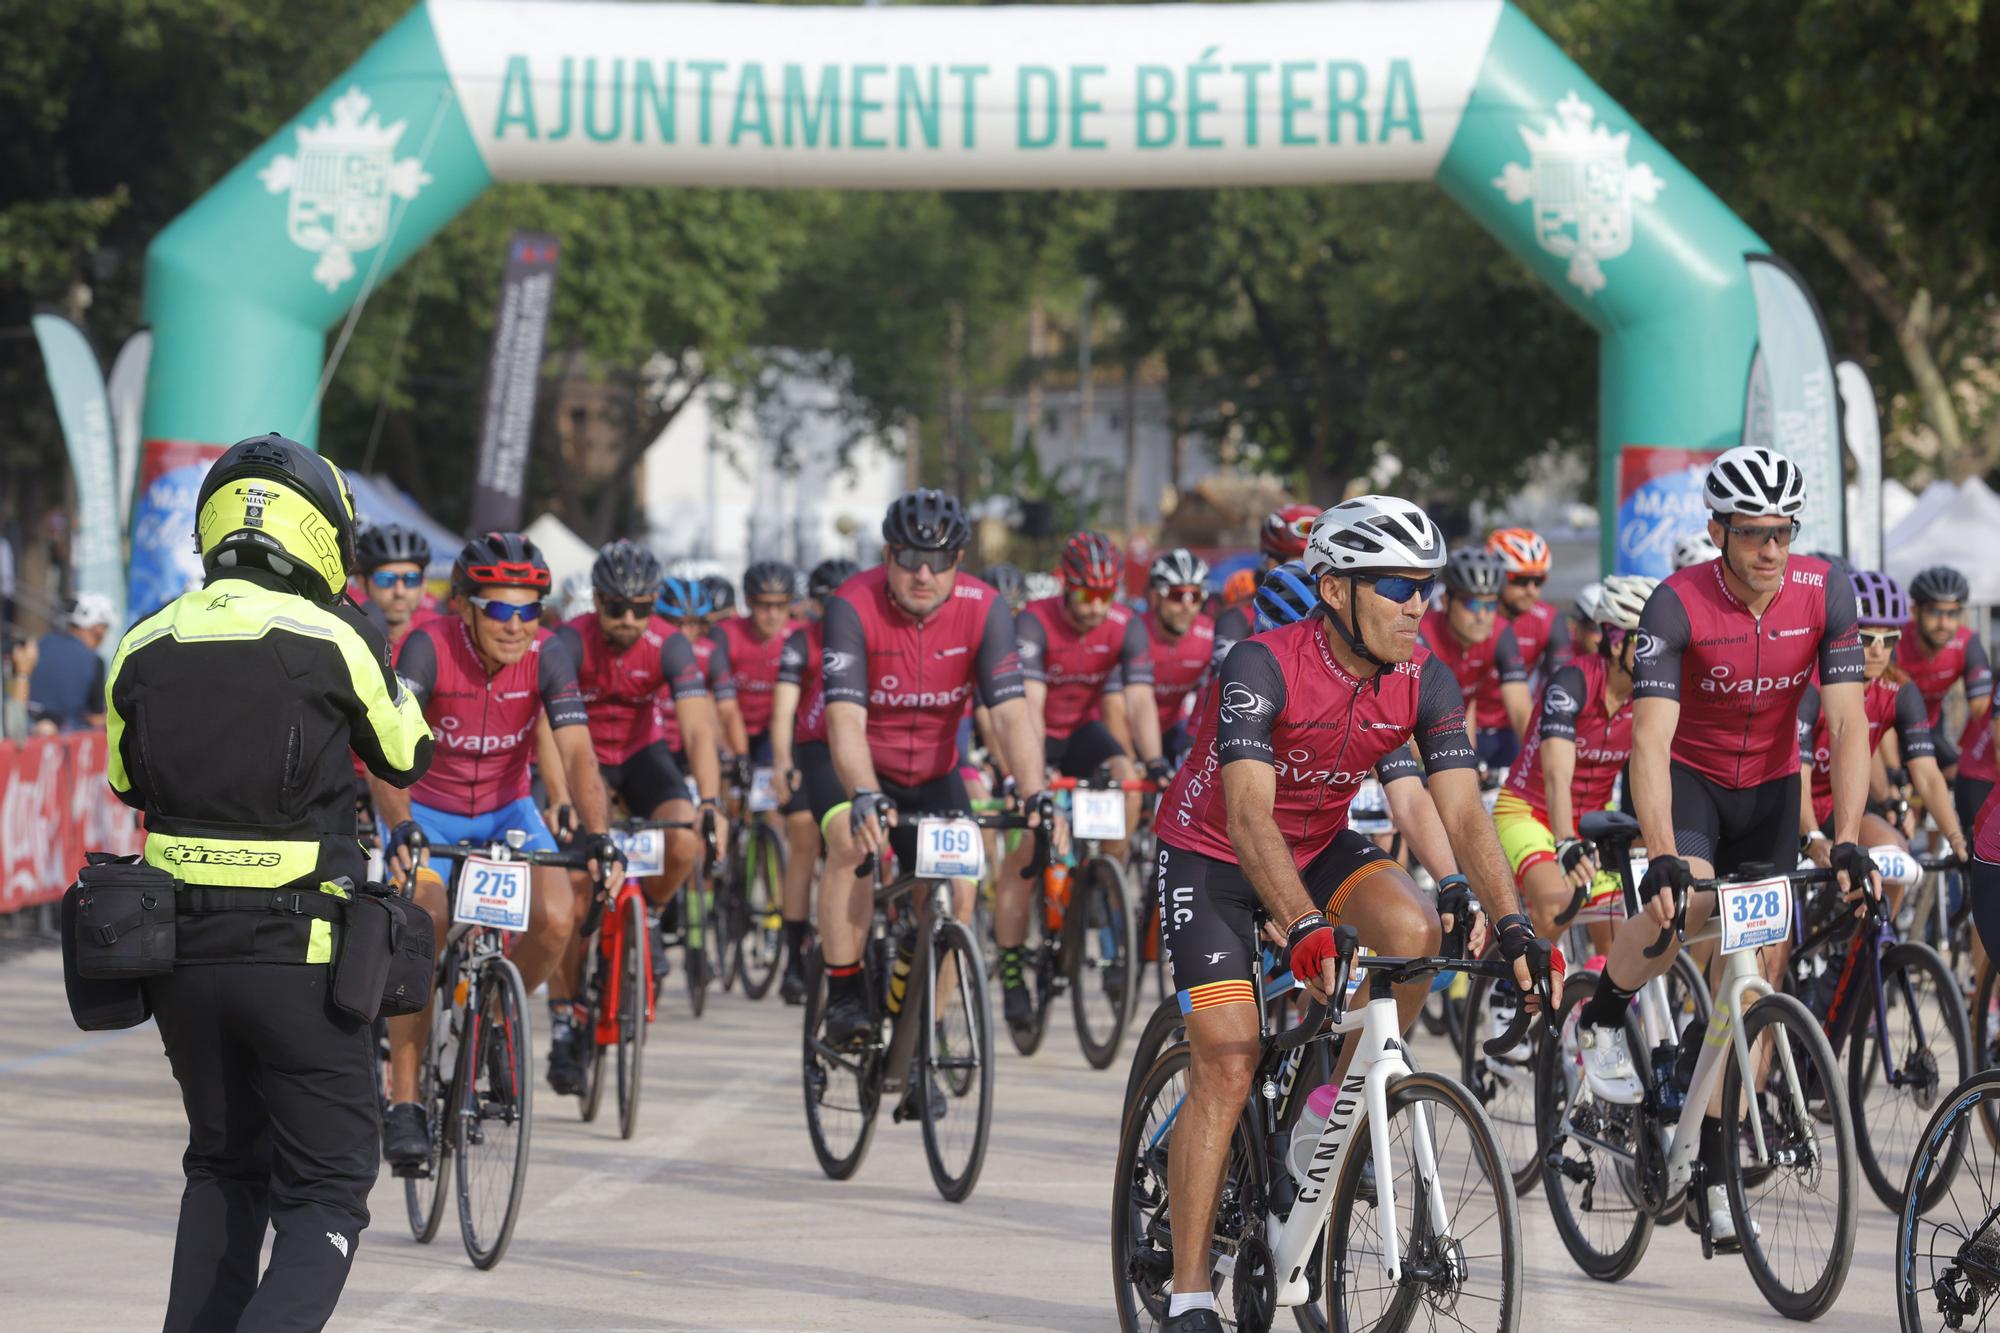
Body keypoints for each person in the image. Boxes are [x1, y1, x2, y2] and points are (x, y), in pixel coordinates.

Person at [1151, 495, 1553, 1333]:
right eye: (1398, 586)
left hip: (1319, 842)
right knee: (1227, 1057)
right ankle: (1190, 1289)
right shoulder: (1259, 665)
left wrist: (1510, 919)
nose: (1419, 606)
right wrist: (1300, 923)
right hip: (1216, 853)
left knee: (1415, 934)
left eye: (1426, 588)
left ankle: (1323, 1109)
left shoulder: (1421, 676)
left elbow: (1465, 814)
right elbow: (1249, 815)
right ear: (1334, 589)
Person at [104, 433, 433, 1330]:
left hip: (178, 954)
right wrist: (379, 648)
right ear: (324, 531)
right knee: (327, 1186)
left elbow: (126, 781)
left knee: (221, 1164)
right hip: (303, 954)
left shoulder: (144, 640)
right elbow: (407, 754)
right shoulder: (336, 635)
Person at [1573, 444, 1873, 1246]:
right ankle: (1603, 1013)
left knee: (1756, 979)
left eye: (1781, 532)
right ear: (1717, 531)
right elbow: (1648, 742)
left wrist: (1843, 838)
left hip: (1773, 790)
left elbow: (1847, 724)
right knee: (1687, 908)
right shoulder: (1676, 604)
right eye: (1751, 534)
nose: (1770, 550)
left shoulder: (1823, 590)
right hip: (1694, 782)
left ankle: (1711, 1158)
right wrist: (1664, 850)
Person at [374, 533, 622, 1163]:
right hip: (426, 810)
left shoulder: (549, 654)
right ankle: (405, 1102)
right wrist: (401, 825)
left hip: (508, 812)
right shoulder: (428, 644)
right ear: (466, 607)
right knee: (423, 928)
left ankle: (495, 1023)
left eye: (529, 610)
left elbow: (577, 753)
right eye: (500, 609)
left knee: (559, 916)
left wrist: (599, 836)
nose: (516, 626)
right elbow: (383, 745)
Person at [807, 489, 1055, 1057]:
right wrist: (864, 793)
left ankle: (925, 1037)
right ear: (887, 556)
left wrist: (1036, 793)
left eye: (939, 560)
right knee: (850, 839)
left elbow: (1012, 712)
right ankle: (844, 993)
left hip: (934, 770)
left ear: (958, 562)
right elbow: (844, 719)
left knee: (958, 896)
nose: (924, 573)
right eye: (910, 557)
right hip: (857, 763)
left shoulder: (985, 606)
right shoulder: (851, 603)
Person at [552, 539, 725, 987]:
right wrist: (557, 796)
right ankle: (567, 1017)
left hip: (640, 756)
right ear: (596, 601)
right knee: (576, 887)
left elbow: (698, 729)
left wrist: (710, 800)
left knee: (685, 837)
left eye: (640, 608)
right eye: (616, 607)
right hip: (583, 760)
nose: (628, 619)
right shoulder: (570, 641)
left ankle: (651, 913)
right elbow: (543, 725)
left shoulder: (670, 645)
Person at [1011, 530, 1161, 1035]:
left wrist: (1155, 760)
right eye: (1084, 596)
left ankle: (1105, 872)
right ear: (1064, 586)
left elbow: (1139, 700)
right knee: (1033, 841)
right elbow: (1028, 705)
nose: (1095, 608)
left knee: (1128, 776)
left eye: (1105, 595)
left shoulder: (1125, 625)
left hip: (1079, 730)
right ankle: (1022, 957)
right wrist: (1034, 772)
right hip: (1037, 731)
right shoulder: (1035, 622)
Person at [1495, 575, 1655, 941]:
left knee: (1622, 922)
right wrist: (1565, 840)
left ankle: (1591, 995)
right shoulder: (1572, 682)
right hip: (1529, 812)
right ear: (1616, 644)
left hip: (1594, 817)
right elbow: (1556, 775)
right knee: (1558, 905)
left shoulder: (1648, 697)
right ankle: (1516, 983)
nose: (1658, 654)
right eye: (1646, 642)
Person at [1798, 570, 1968, 875]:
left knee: (1895, 858)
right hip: (1792, 805)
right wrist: (1812, 837)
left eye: (1889, 639)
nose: (1878, 650)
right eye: (1866, 638)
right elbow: (1797, 773)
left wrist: (1955, 838)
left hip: (1839, 803)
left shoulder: (1899, 690)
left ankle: (1879, 924)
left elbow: (1927, 774)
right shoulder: (1811, 685)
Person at [770, 556, 857, 1002]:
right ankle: (793, 954)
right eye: (829, 603)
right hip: (813, 749)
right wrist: (783, 762)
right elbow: (784, 710)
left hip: (859, 753)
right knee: (803, 836)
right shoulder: (801, 642)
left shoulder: (869, 637)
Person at [1900, 565, 1993, 830]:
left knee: (1958, 777)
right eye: (1935, 612)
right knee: (1903, 798)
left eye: (1952, 614)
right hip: (1890, 730)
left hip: (1931, 728)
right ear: (1915, 611)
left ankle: (1941, 848)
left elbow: (1981, 711)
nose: (1944, 623)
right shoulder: (1897, 641)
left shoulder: (1966, 643)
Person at [1419, 547, 1527, 769]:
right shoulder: (1423, 633)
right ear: (1447, 602)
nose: (1482, 615)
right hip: (1407, 736)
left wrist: (1537, 764)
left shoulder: (1501, 632)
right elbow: (1409, 716)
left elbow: (1521, 709)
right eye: (1472, 604)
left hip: (1458, 727)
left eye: (1490, 605)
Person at [1139, 548, 1215, 770]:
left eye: (1196, 596)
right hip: (1129, 727)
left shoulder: (1210, 635)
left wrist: (1192, 740)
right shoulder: (1134, 631)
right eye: (1177, 595)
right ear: (1155, 597)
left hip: (1176, 727)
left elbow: (1211, 695)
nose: (1187, 606)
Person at [1485, 525, 1569, 700]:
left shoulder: (1549, 620)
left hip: (1520, 718)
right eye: (1520, 580)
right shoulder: (1471, 615)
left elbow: (1561, 687)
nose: (1531, 590)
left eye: (1538, 580)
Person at [27, 590, 113, 730]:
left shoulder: (38, 645)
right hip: (66, 740)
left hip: (26, 735)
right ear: (97, 629)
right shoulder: (94, 661)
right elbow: (96, 719)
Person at [353, 523, 432, 648]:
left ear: (423, 584)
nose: (400, 592)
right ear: (362, 583)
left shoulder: (437, 638)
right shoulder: (347, 637)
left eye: (411, 579)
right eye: (385, 579)